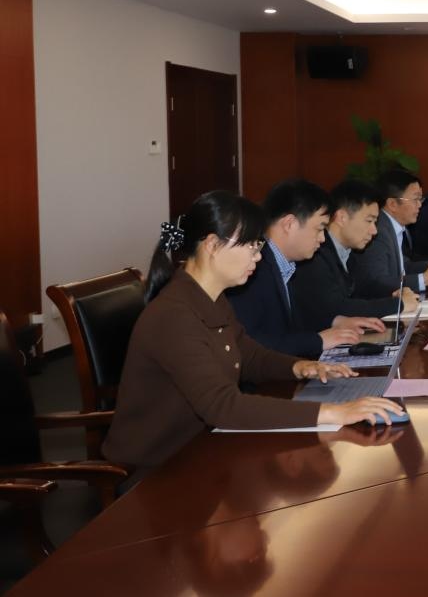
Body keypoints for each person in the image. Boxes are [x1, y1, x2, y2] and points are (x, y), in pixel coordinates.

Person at [103, 191, 402, 474]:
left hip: (202, 448)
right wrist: (336, 412)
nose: (258, 257)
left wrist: (299, 367)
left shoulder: (209, 298)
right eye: (251, 246)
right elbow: (223, 406)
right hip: (158, 469)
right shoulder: (174, 315)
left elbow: (247, 354)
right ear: (212, 245)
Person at [228, 179, 384, 357]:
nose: (322, 239)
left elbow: (296, 322)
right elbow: (251, 344)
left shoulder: (287, 264)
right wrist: (318, 341)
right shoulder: (252, 269)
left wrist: (336, 322)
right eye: (319, 228)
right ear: (289, 224)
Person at [290, 180, 420, 331]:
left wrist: (393, 296)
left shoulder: (351, 253)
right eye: (369, 221)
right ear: (342, 217)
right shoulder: (315, 254)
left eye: (375, 222)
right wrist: (398, 304)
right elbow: (336, 308)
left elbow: (361, 293)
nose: (374, 231)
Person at [350, 169, 428, 299]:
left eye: (420, 199)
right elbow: (377, 282)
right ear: (393, 204)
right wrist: (424, 279)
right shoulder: (378, 231)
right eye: (415, 199)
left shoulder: (392, 227)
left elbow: (404, 268)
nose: (419, 205)